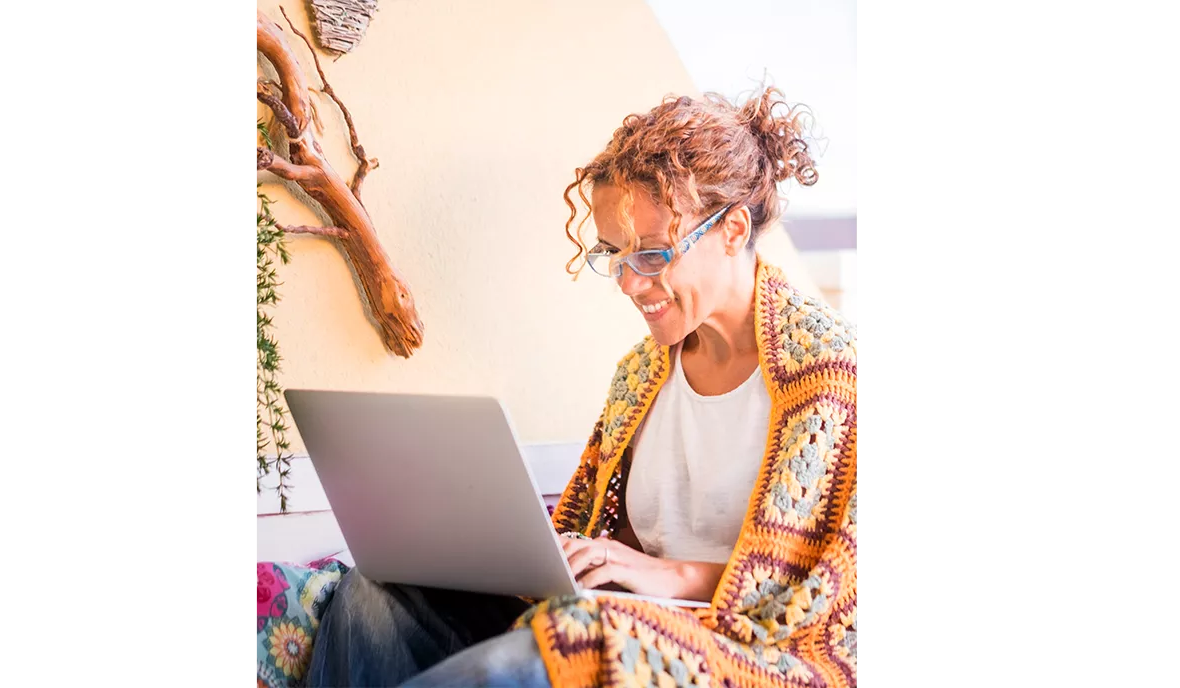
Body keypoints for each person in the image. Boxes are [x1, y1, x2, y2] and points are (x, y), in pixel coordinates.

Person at [306, 86, 857, 688]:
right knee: (371, 595)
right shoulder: (642, 374)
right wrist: (558, 560)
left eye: (652, 254)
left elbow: (816, 592)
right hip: (623, 613)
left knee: (549, 653)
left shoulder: (828, 381)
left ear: (732, 229)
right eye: (614, 255)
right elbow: (606, 530)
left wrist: (667, 575)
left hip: (740, 644)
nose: (628, 282)